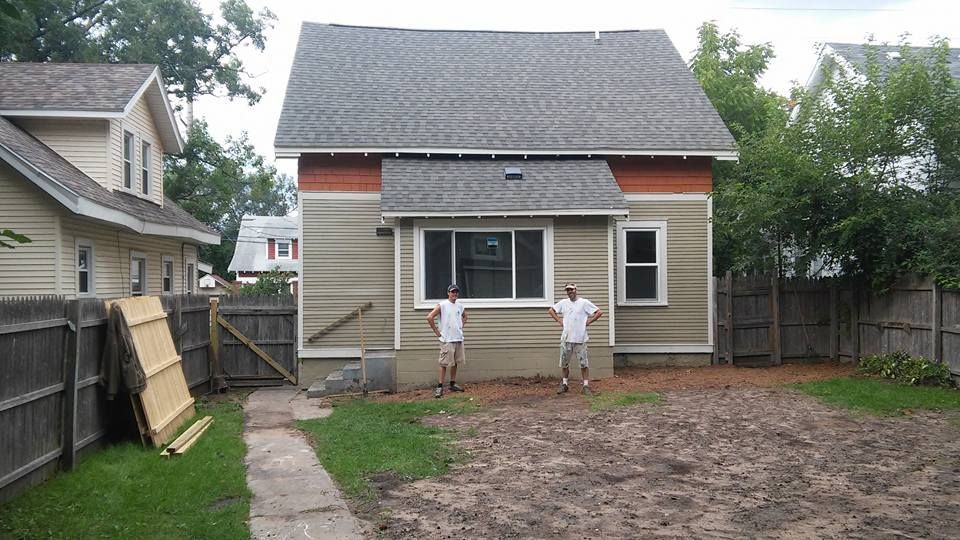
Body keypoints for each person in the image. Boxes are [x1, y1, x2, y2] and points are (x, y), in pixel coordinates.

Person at [549, 282, 603, 395]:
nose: (570, 292)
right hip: (566, 338)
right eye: (568, 290)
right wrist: (559, 321)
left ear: (576, 290)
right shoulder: (563, 303)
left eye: (571, 290)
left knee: (584, 363)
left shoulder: (584, 303)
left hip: (580, 338)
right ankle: (564, 384)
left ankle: (586, 386)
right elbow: (551, 310)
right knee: (564, 363)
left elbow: (599, 312)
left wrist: (589, 322)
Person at [426, 283, 468, 398]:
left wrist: (460, 327)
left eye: (456, 292)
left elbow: (465, 317)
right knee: (443, 363)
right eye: (452, 292)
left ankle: (452, 384)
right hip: (447, 339)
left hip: (458, 338)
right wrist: (437, 332)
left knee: (455, 362)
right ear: (448, 293)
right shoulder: (443, 305)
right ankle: (440, 386)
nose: (454, 294)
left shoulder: (459, 305)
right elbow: (429, 317)